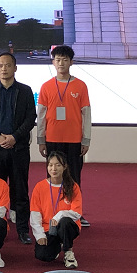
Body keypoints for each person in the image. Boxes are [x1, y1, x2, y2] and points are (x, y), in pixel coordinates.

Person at [0, 52, 36, 245]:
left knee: (20, 190)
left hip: (19, 148)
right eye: (1, 65)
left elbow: (31, 117)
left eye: (8, 65)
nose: (4, 69)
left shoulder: (25, 91)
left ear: (15, 68)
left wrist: (14, 137)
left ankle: (22, 230)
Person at [37, 45, 91, 227]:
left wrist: (86, 139)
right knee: (52, 176)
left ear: (71, 62)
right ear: (53, 62)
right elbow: (41, 115)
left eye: (65, 60)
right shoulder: (46, 86)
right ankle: (52, 212)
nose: (61, 63)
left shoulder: (81, 86)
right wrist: (41, 140)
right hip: (52, 139)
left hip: (74, 140)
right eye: (58, 60)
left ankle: (76, 213)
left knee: (74, 177)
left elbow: (86, 114)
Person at [30, 151, 82, 269]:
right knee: (42, 255)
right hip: (48, 228)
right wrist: (39, 235)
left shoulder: (73, 186)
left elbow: (77, 213)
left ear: (64, 167)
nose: (54, 168)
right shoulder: (39, 187)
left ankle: (68, 252)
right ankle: (57, 245)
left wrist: (60, 215)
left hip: (68, 226)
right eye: (50, 165)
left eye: (58, 165)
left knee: (65, 221)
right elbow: (35, 213)